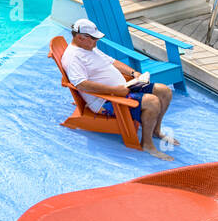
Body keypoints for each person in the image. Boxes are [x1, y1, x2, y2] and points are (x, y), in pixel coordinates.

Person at [64, 19, 177, 161]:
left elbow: (112, 61)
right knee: (152, 101)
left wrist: (134, 74)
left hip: (123, 88)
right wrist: (115, 91)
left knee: (164, 91)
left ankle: (156, 130)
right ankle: (147, 144)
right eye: (94, 39)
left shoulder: (90, 48)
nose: (96, 42)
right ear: (80, 37)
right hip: (105, 100)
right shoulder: (73, 57)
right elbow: (81, 84)